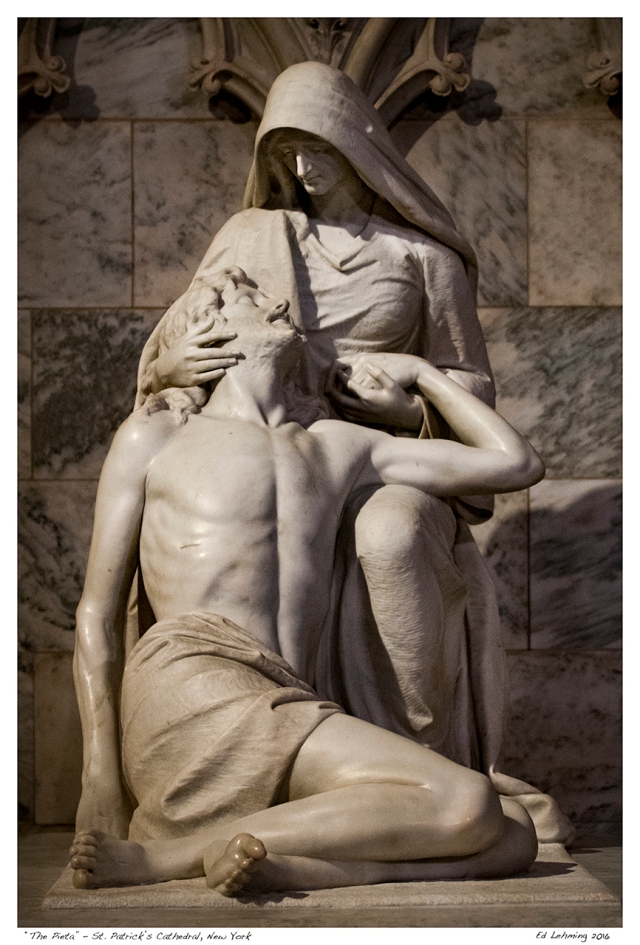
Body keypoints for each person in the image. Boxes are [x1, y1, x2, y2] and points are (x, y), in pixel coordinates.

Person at [131, 62, 572, 843]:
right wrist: (164, 371)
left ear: (357, 142)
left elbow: (475, 387)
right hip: (269, 441)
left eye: (318, 147)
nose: (303, 168)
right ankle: (306, 756)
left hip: (388, 453)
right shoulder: (252, 234)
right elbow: (182, 336)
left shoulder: (423, 259)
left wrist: (408, 396)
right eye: (287, 152)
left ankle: (423, 759)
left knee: (390, 534)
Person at [70, 268, 541, 894]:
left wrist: (425, 375)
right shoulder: (156, 436)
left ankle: (293, 866)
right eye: (252, 295)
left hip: (289, 701)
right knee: (467, 805)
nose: (281, 300)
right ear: (207, 327)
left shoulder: (336, 445)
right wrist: (98, 779)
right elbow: (97, 615)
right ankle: (172, 857)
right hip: (192, 688)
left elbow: (515, 463)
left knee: (513, 833)